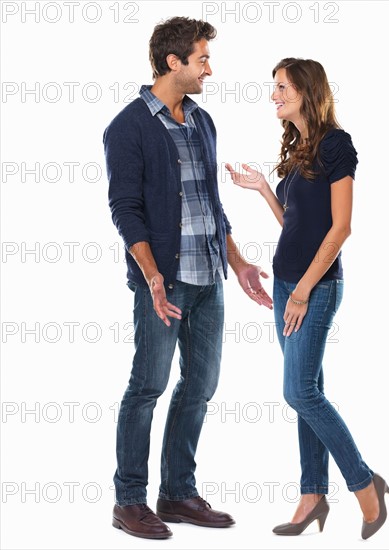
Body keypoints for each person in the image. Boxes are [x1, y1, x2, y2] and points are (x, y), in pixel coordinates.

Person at [103, 16, 272, 540]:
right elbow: (126, 210)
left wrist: (239, 262)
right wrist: (151, 276)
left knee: (200, 386)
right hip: (164, 284)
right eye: (202, 59)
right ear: (173, 62)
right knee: (147, 386)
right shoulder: (127, 127)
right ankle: (129, 500)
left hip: (209, 280)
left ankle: (177, 492)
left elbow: (211, 207)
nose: (209, 69)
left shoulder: (202, 121)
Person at [226, 58, 389, 540]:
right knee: (307, 392)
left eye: (281, 87)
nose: (273, 94)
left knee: (299, 392)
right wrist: (263, 190)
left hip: (312, 290)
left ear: (306, 91)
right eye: (272, 87)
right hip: (287, 286)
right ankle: (313, 494)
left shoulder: (337, 145)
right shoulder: (300, 150)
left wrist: (301, 292)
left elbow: (340, 229)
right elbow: (297, 227)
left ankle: (365, 484)